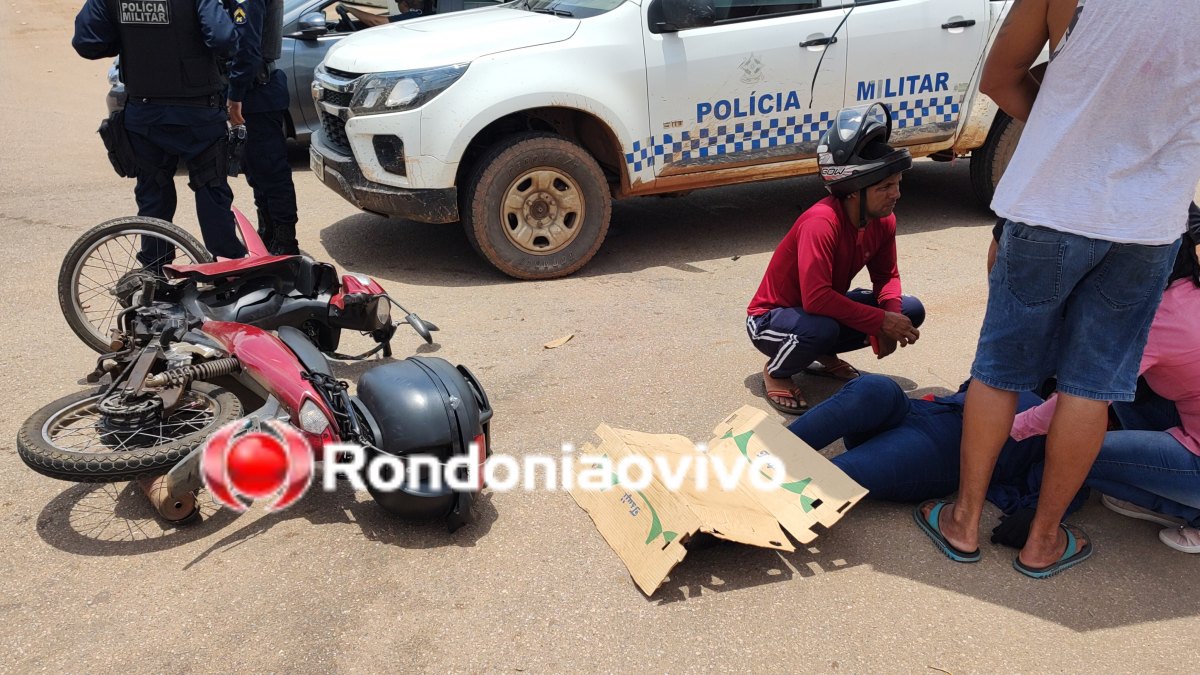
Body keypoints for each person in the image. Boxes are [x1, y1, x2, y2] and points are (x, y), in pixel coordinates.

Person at [917, 0, 1200, 578]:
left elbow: (1000, 78)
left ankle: (964, 521)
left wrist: (1061, 135)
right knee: (1092, 387)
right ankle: (1043, 541)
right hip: (1147, 226)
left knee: (999, 371)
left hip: (1050, 207)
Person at [1010, 204, 1200, 554]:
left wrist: (1014, 428)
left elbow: (1085, 394)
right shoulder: (1188, 291)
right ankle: (1157, 476)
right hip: (1188, 417)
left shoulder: (1157, 321)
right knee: (1123, 387)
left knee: (1074, 454)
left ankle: (1188, 511)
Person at [746, 103, 924, 416]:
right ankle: (776, 371)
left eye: (898, 183)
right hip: (769, 319)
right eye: (885, 187)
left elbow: (886, 278)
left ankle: (822, 357)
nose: (896, 194)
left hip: (819, 314)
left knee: (910, 310)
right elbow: (816, 300)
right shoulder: (821, 222)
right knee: (821, 327)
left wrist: (891, 317)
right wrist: (881, 321)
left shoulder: (883, 220)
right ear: (853, 191)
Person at [73, 0, 248, 266]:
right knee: (211, 190)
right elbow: (223, 38)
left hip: (144, 112)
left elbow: (87, 42)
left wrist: (125, 41)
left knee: (152, 195)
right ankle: (228, 270)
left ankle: (155, 278)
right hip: (197, 114)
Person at [228, 0, 302, 255]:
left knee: (270, 171)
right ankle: (269, 232)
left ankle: (285, 240)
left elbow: (247, 46)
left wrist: (234, 94)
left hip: (256, 92)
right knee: (256, 171)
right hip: (256, 92)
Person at [335, 0, 422, 29]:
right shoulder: (414, 14)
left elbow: (377, 21)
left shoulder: (413, 16)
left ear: (404, 3)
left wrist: (350, 9)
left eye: (397, 2)